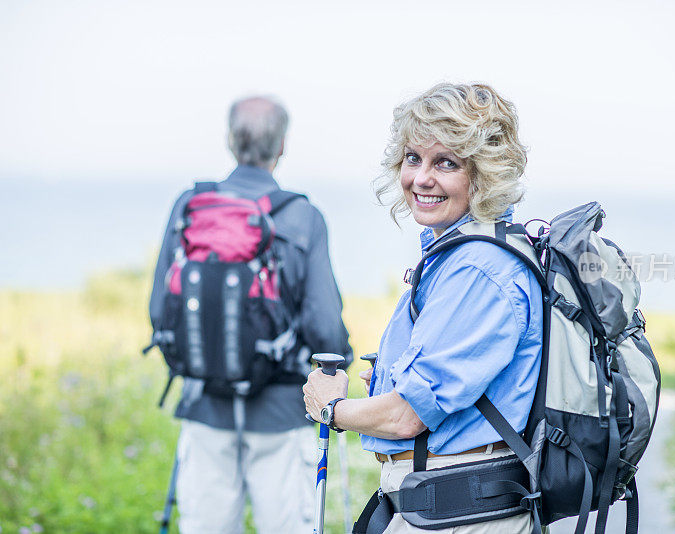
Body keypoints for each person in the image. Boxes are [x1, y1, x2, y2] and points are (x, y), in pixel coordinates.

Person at [303, 83, 543, 533]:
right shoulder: (459, 254)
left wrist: (330, 407)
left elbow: (405, 416)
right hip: (440, 507)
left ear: (483, 174)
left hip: (459, 515)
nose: (421, 178)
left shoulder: (478, 269)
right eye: (413, 158)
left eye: (446, 163)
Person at [149, 95, 352, 534]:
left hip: (205, 407)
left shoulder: (190, 207)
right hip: (280, 413)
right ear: (282, 146)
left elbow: (158, 309)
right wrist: (341, 362)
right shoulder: (302, 216)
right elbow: (323, 321)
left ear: (229, 141)